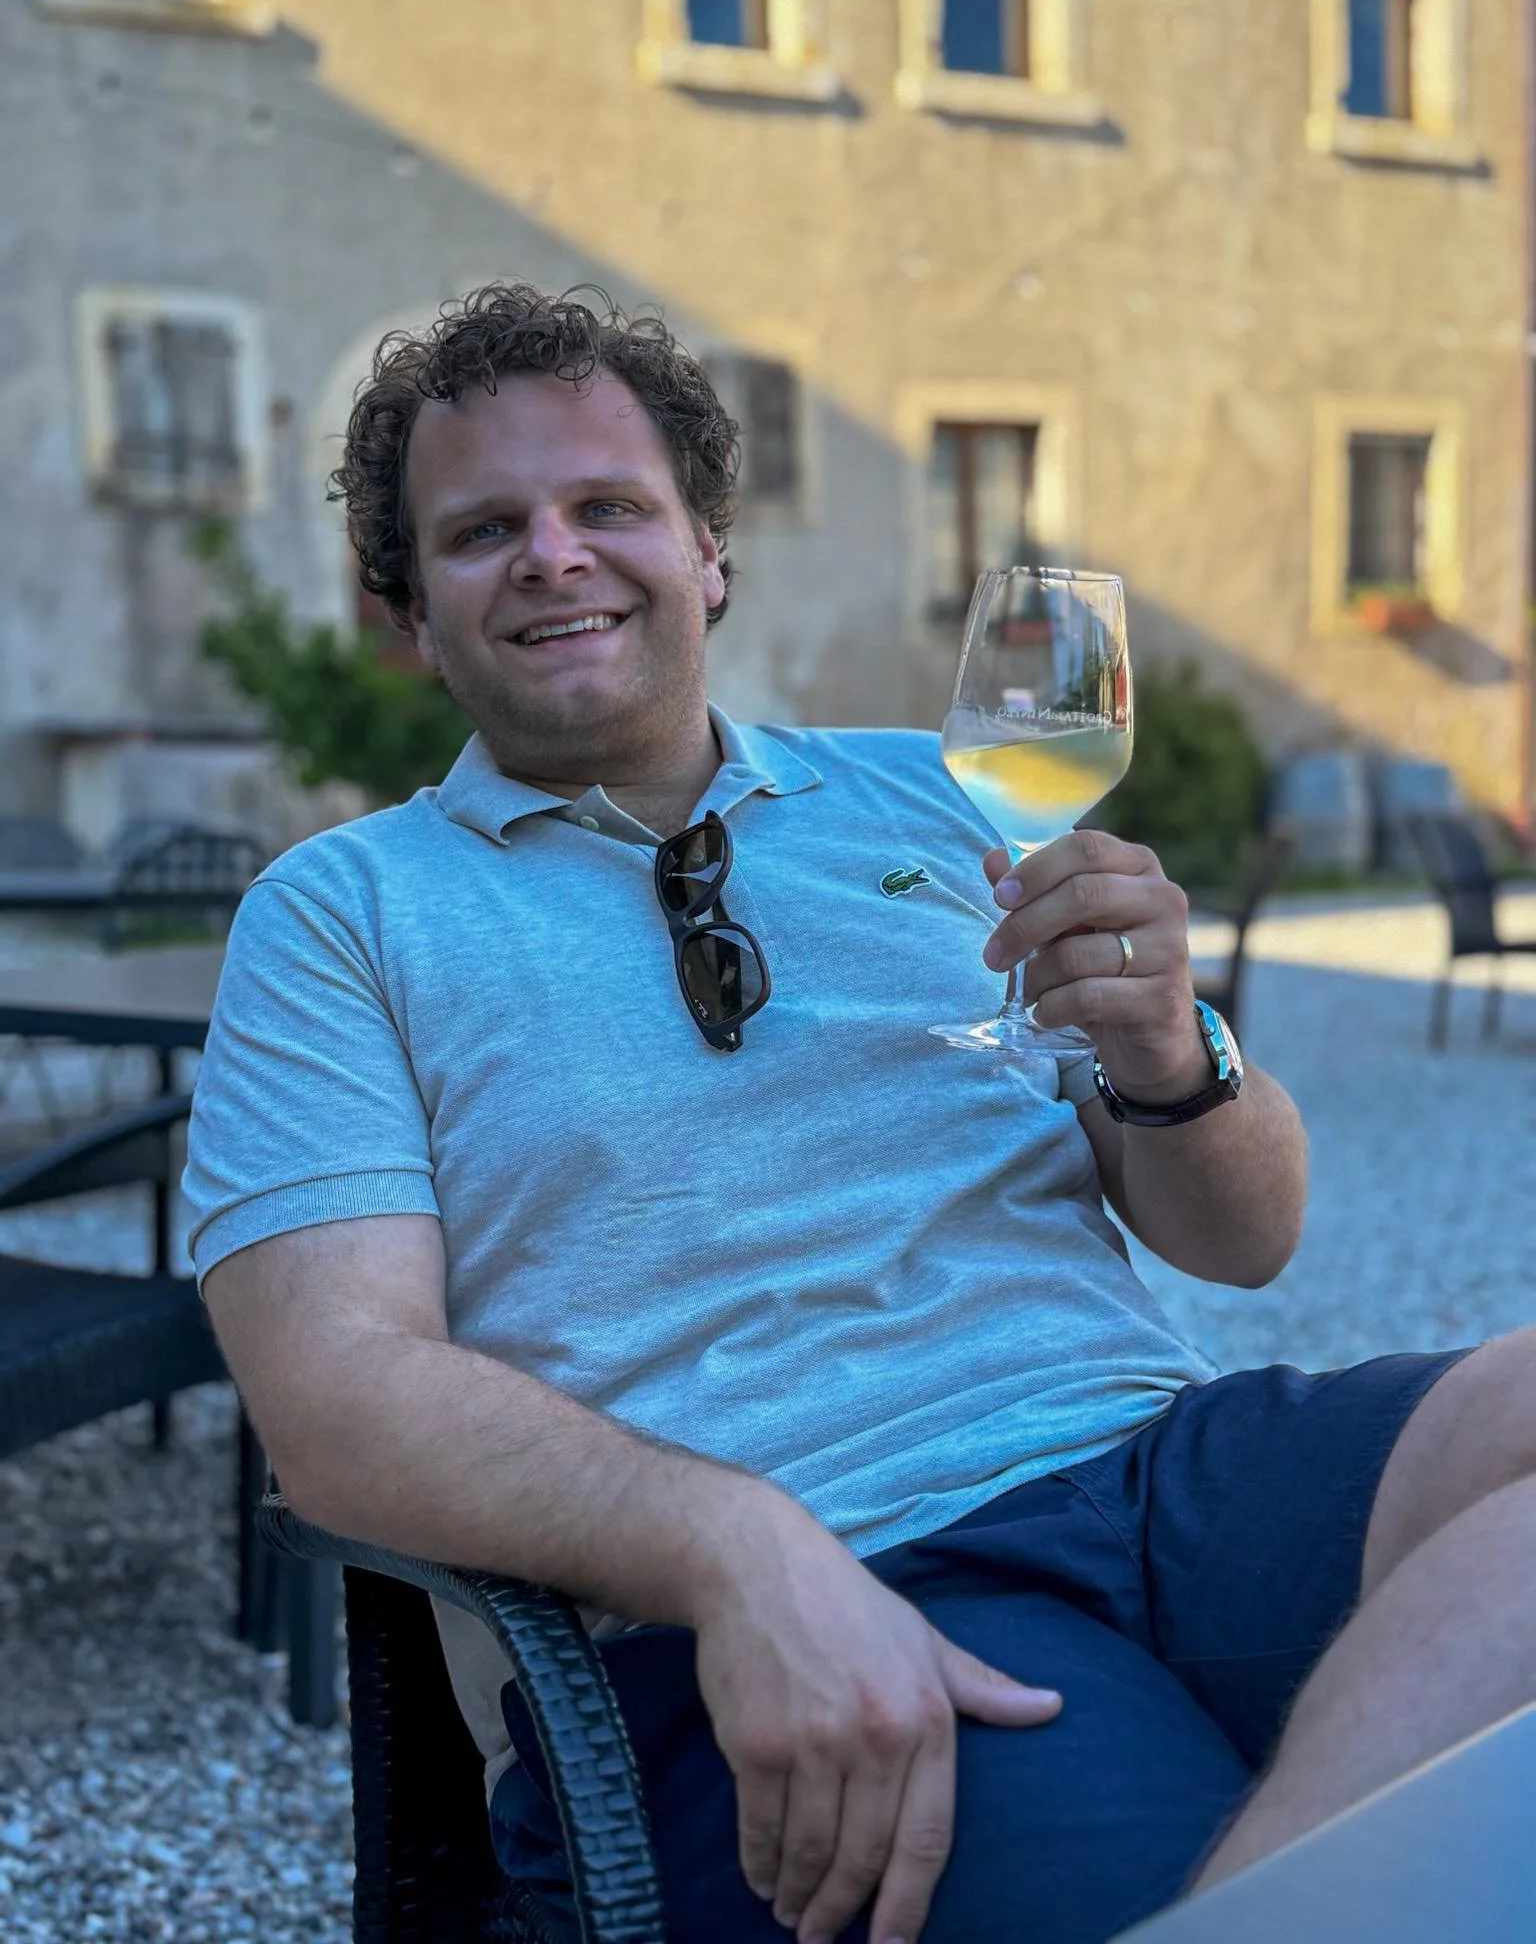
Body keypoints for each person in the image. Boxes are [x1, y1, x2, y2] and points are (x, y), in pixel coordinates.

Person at [187, 284, 1536, 1944]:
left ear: (708, 554)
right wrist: (734, 1546)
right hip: (826, 1578)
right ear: (408, 605)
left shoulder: (942, 798)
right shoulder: (340, 914)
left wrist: (1168, 1056)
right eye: (482, 531)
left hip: (1168, 1473)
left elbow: (1249, 1237)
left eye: (609, 506)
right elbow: (333, 1401)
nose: (552, 555)